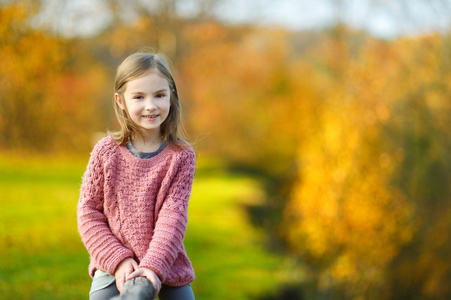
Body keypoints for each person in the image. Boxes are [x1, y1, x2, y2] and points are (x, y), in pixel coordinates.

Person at [77, 51, 196, 300]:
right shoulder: (106, 152)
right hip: (113, 265)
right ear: (121, 101)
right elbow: (88, 214)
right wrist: (118, 260)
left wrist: (152, 266)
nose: (150, 105)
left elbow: (172, 218)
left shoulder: (181, 156)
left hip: (166, 261)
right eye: (139, 97)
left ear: (171, 97)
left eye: (159, 95)